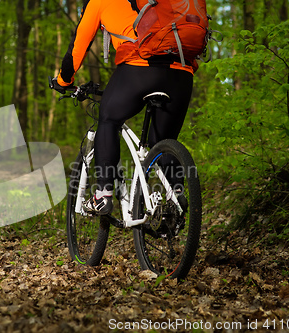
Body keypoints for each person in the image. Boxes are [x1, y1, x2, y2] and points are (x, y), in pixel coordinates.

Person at [51, 0, 195, 215]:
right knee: (163, 142)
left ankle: (103, 195)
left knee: (108, 120)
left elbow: (78, 48)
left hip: (139, 68)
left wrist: (63, 81)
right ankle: (175, 198)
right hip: (182, 72)